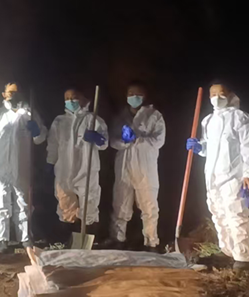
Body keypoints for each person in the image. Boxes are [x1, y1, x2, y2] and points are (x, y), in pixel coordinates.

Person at [187, 81, 249, 271]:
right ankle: (227, 251)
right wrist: (199, 147)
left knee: (236, 214)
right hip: (212, 176)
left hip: (233, 176)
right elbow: (208, 148)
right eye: (213, 95)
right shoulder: (208, 121)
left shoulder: (241, 118)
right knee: (218, 214)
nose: (216, 98)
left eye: (221, 94)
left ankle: (243, 257)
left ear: (230, 95)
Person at [0, 82, 47, 253]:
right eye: (10, 92)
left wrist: (37, 131)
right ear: (4, 94)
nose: (13, 96)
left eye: (16, 92)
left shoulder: (30, 115)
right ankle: (2, 240)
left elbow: (40, 138)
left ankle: (25, 238)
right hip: (0, 167)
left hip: (22, 166)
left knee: (23, 203)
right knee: (0, 203)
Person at [108, 81, 166, 251]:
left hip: (145, 168)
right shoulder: (121, 117)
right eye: (130, 94)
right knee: (120, 205)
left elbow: (159, 141)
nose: (134, 97)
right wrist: (124, 141)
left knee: (148, 206)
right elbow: (113, 142)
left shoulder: (154, 115)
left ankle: (151, 242)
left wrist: (138, 139)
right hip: (124, 167)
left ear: (144, 96)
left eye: (137, 94)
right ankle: (117, 239)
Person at [46, 88, 108, 239]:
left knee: (89, 202)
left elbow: (104, 143)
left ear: (83, 99)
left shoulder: (93, 119)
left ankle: (89, 236)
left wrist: (98, 138)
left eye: (74, 97)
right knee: (65, 202)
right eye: (67, 98)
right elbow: (53, 144)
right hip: (64, 169)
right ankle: (69, 237)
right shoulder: (59, 121)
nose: (70, 101)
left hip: (86, 169)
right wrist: (50, 161)